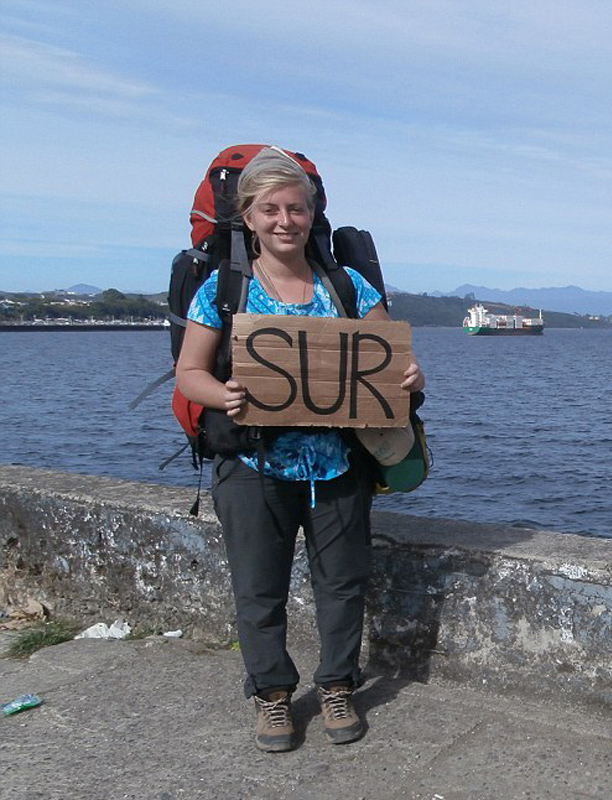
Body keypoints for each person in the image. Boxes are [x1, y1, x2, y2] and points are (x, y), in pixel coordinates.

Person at [176, 147, 425, 752]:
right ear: (249, 216)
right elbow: (190, 372)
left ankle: (338, 683)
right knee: (258, 590)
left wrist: (410, 378)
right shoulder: (224, 288)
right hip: (253, 463)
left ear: (312, 214)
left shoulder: (347, 285)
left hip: (337, 463)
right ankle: (271, 696)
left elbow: (391, 362)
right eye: (271, 209)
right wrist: (226, 394)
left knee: (342, 583)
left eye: (296, 208)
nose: (285, 220)